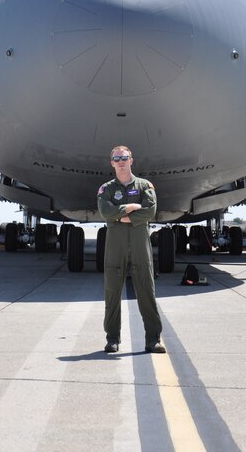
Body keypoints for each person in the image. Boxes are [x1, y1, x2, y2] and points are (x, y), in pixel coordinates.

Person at [97, 145, 165, 354]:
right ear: (112, 163)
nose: (121, 161)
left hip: (139, 245)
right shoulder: (106, 188)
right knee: (112, 292)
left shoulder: (145, 186)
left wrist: (122, 217)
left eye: (124, 157)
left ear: (131, 160)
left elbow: (150, 211)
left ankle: (153, 339)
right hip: (115, 247)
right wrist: (130, 208)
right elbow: (104, 211)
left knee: (146, 291)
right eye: (116, 158)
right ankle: (112, 339)